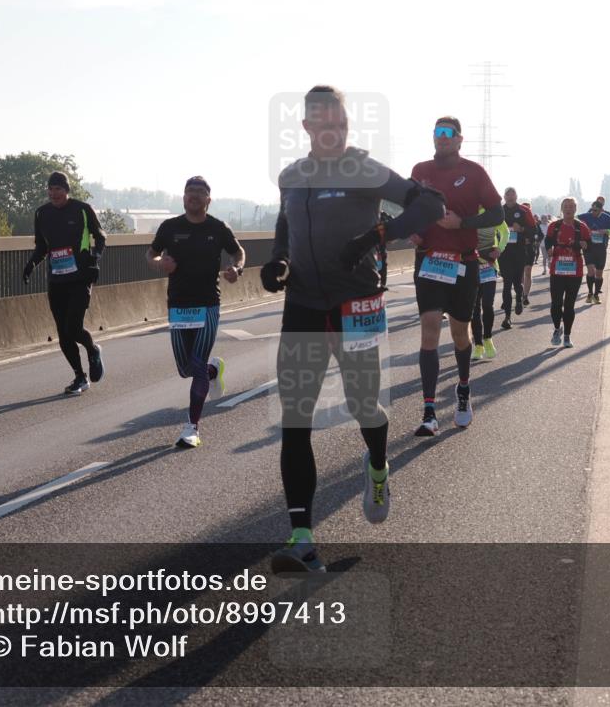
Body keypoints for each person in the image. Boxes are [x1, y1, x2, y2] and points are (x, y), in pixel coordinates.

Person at [263, 86, 445, 572]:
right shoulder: (291, 176)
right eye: (325, 125)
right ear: (306, 128)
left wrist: (376, 235)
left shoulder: (363, 170)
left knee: (364, 405)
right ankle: (301, 537)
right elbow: (286, 226)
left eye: (342, 124)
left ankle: (378, 464)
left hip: (356, 304)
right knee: (295, 417)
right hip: (302, 304)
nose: (335, 133)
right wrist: (278, 260)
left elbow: (430, 204)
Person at [409, 116, 504, 437]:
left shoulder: (474, 172)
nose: (442, 138)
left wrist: (461, 224)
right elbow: (411, 211)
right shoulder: (420, 171)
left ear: (460, 139)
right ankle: (429, 411)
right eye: (437, 132)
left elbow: (496, 212)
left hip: (464, 264)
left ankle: (463, 391)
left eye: (448, 133)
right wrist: (413, 232)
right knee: (430, 329)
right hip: (430, 263)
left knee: (460, 334)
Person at [147, 176, 245, 449]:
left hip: (207, 304)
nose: (194, 196)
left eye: (200, 192)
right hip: (178, 305)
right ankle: (215, 369)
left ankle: (191, 427)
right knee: (186, 368)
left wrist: (236, 269)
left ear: (208, 200)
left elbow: (239, 253)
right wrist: (160, 263)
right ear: (183, 197)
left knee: (197, 363)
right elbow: (151, 254)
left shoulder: (218, 228)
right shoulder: (170, 227)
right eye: (190, 191)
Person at [23, 171, 106, 395]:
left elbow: (101, 237)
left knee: (73, 327)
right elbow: (42, 247)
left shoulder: (82, 209)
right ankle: (80, 376)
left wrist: (95, 257)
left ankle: (92, 348)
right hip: (57, 279)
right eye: (50, 189)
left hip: (80, 277)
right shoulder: (42, 213)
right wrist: (31, 265)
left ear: (67, 190)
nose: (53, 193)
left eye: (58, 189)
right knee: (63, 332)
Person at [544, 197, 590, 348]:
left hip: (574, 272)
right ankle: (557, 329)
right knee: (556, 304)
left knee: (569, 306)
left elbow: (589, 244)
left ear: (575, 209)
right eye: (566, 206)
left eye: (571, 206)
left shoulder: (581, 227)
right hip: (557, 271)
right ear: (562, 209)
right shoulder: (554, 226)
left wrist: (585, 245)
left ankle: (567, 336)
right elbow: (548, 241)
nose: (568, 209)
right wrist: (549, 249)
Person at [470, 207, 510, 362]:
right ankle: (478, 344)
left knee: (487, 304)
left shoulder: (493, 212)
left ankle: (487, 338)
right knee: (474, 307)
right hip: (471, 263)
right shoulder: (468, 210)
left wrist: (499, 249)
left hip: (489, 264)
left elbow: (505, 232)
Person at [498, 188, 535, 329]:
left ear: (516, 196)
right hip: (504, 252)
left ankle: (519, 297)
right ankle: (507, 317)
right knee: (507, 284)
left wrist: (522, 230)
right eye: (508, 195)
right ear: (504, 197)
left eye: (512, 195)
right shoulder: (499, 211)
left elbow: (534, 230)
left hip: (519, 251)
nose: (510, 197)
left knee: (517, 282)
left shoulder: (524, 211)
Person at [578, 199, 610, 304]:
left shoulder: (606, 217)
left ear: (601, 210)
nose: (593, 212)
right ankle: (590, 293)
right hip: (589, 248)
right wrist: (583, 234)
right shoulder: (586, 216)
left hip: (601, 248)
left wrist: (606, 231)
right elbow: (574, 220)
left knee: (599, 273)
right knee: (591, 271)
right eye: (592, 210)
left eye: (596, 210)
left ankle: (596, 295)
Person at [520, 202, 538, 307]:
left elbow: (538, 234)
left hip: (529, 249)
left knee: (527, 272)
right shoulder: (515, 220)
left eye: (528, 209)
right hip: (518, 250)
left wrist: (532, 240)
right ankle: (521, 290)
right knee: (520, 274)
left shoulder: (533, 223)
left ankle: (525, 295)